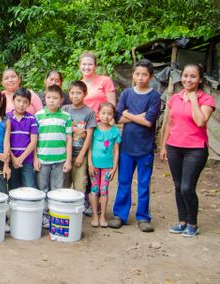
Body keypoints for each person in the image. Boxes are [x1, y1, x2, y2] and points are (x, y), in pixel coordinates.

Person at [160, 64, 215, 237]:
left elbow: (200, 122)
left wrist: (192, 100)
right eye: (185, 76)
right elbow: (168, 123)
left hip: (195, 149)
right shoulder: (174, 98)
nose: (188, 79)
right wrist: (163, 146)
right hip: (174, 147)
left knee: (187, 188)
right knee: (177, 186)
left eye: (192, 76)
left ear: (200, 79)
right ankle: (182, 221)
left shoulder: (206, 100)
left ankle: (192, 223)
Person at [108, 59, 161, 232]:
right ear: (133, 75)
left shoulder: (154, 96)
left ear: (151, 76)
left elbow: (149, 122)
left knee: (144, 183)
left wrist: (128, 114)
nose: (140, 77)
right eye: (137, 74)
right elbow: (117, 118)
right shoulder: (126, 94)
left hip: (145, 148)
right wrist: (139, 116)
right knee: (124, 181)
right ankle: (120, 215)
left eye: (144, 74)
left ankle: (143, 217)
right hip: (126, 147)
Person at [34, 85, 73, 228]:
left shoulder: (66, 116)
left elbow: (69, 139)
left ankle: (55, 215)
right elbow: (35, 139)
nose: (51, 101)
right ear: (44, 98)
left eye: (55, 98)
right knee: (42, 188)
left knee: (57, 189)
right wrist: (35, 158)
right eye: (49, 97)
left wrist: (68, 160)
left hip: (60, 160)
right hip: (43, 159)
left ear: (61, 100)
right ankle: (43, 216)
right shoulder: (38, 116)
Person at [87, 103, 121, 228]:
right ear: (98, 113)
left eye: (110, 114)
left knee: (104, 190)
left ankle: (103, 217)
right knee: (94, 190)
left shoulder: (115, 131)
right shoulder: (94, 129)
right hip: (94, 165)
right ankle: (95, 215)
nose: (106, 116)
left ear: (113, 115)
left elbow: (116, 151)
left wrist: (114, 168)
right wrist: (90, 163)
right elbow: (89, 148)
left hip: (107, 166)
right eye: (104, 113)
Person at [62, 80, 96, 192]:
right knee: (63, 186)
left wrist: (81, 156)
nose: (75, 96)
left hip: (79, 156)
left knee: (80, 186)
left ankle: (78, 209)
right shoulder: (65, 109)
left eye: (79, 93)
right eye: (72, 93)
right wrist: (74, 129)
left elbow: (89, 136)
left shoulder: (89, 112)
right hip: (64, 155)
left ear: (85, 94)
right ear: (69, 93)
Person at [7, 88, 38, 189]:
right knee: (13, 187)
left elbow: (33, 142)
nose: (21, 104)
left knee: (29, 187)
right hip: (11, 159)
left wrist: (21, 158)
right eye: (18, 101)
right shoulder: (6, 118)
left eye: (25, 102)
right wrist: (14, 159)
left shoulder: (32, 119)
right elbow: (5, 141)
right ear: (13, 100)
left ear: (29, 104)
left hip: (27, 159)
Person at [79, 51, 116, 117]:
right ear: (79, 66)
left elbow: (112, 105)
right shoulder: (78, 85)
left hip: (102, 122)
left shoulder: (105, 80)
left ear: (95, 66)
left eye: (90, 64)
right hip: (83, 123)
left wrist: (109, 124)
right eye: (84, 64)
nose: (87, 67)